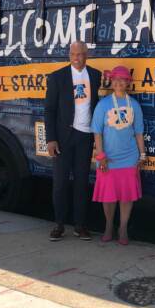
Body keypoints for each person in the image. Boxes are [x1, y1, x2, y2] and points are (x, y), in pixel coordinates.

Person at [44, 41, 101, 242]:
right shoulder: (57, 77)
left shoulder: (95, 75)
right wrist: (50, 139)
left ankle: (80, 226)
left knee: (81, 183)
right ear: (69, 55)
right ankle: (59, 225)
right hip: (63, 138)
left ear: (87, 55)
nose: (77, 58)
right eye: (74, 54)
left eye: (81, 54)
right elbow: (49, 110)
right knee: (60, 183)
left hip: (85, 137)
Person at [91, 66, 146, 245]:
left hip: (129, 157)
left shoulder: (134, 105)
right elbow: (97, 132)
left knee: (126, 196)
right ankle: (108, 226)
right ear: (112, 82)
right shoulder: (103, 104)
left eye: (123, 80)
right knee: (108, 196)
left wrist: (142, 155)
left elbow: (138, 132)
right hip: (108, 158)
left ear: (128, 83)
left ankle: (122, 228)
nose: (119, 83)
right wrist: (100, 156)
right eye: (116, 80)